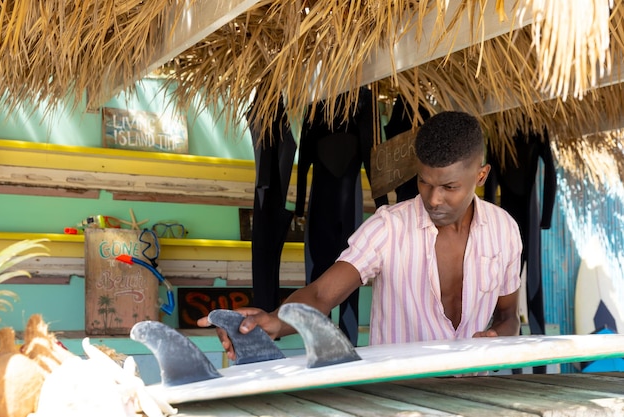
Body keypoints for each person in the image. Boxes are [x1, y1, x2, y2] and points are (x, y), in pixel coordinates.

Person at [198, 111, 523, 360]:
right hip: (396, 397)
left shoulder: (504, 231)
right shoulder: (388, 229)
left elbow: (508, 315)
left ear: (481, 176)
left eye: (450, 187)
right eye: (425, 182)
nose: (434, 199)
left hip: (475, 393)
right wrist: (274, 320)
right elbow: (322, 295)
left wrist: (496, 337)